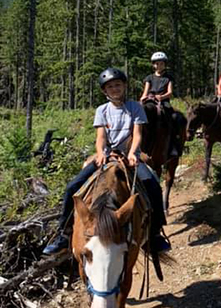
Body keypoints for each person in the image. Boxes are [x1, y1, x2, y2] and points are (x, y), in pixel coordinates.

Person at [43, 68, 171, 255]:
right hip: (107, 155)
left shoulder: (135, 107)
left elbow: (137, 134)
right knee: (72, 187)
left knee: (152, 184)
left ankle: (155, 234)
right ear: (105, 91)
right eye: (110, 86)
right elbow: (101, 137)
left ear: (124, 86)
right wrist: (100, 153)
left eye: (118, 85)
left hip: (129, 155)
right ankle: (64, 234)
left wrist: (133, 153)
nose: (115, 89)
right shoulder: (102, 110)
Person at [140, 51, 184, 156]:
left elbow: (170, 92)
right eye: (156, 63)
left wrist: (162, 97)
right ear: (153, 65)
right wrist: (142, 99)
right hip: (150, 100)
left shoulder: (168, 78)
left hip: (163, 101)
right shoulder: (149, 78)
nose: (158, 65)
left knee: (173, 118)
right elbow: (145, 92)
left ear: (164, 64)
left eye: (161, 63)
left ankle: (174, 145)